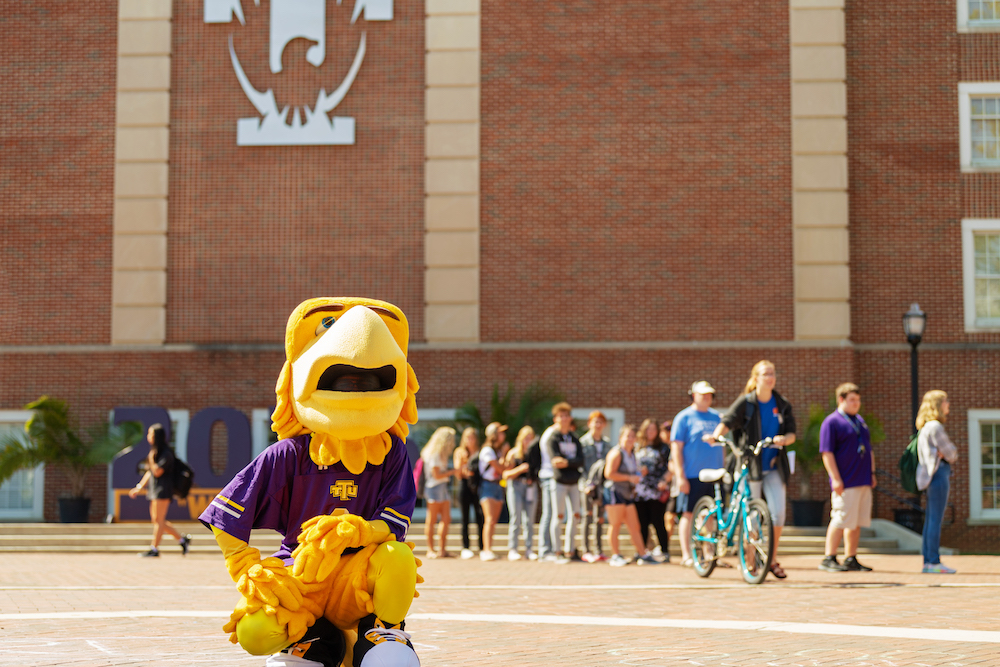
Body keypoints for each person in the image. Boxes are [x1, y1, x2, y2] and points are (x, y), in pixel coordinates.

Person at [711, 361, 797, 580]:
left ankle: (771, 558)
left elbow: (792, 434)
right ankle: (749, 560)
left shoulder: (782, 403)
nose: (770, 377)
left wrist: (783, 439)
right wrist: (716, 435)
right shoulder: (747, 402)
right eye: (766, 373)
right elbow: (728, 422)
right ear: (756, 378)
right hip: (749, 465)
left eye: (773, 373)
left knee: (778, 514)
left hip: (773, 465)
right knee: (752, 516)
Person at [818, 383, 875, 573]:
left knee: (856, 520)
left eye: (858, 400)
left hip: (863, 479)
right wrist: (835, 478)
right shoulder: (832, 422)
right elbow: (827, 452)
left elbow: (869, 449)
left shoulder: (859, 421)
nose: (856, 403)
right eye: (852, 400)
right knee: (841, 518)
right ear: (841, 400)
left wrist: (872, 473)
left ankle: (851, 557)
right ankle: (829, 557)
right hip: (846, 480)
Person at [670, 381, 722, 568]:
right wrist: (680, 476)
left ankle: (710, 554)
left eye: (709, 394)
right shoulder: (684, 417)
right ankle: (686, 554)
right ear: (693, 395)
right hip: (692, 474)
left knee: (711, 514)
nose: (706, 397)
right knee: (688, 513)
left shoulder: (717, 417)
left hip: (715, 474)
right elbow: (676, 447)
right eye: (702, 394)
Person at [128, 423, 191, 557]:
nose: (148, 436)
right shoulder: (155, 452)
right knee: (157, 521)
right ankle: (182, 540)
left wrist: (151, 458)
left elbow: (157, 471)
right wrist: (139, 487)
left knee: (159, 520)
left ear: (156, 436)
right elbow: (149, 472)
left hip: (163, 490)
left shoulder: (166, 453)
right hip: (154, 490)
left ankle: (154, 549)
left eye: (150, 433)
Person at [916, 390, 959, 574]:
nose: (948, 404)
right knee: (935, 519)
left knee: (930, 520)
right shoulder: (935, 427)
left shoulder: (925, 427)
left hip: (929, 477)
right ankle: (933, 562)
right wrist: (948, 452)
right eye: (945, 401)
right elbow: (952, 454)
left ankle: (928, 561)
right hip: (938, 475)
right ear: (937, 405)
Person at [603, 424, 657, 566]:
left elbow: (632, 474)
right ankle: (615, 555)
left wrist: (639, 473)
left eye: (633, 436)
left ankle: (642, 554)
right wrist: (629, 478)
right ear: (621, 438)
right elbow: (609, 474)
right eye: (628, 436)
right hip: (615, 492)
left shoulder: (632, 454)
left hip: (627, 493)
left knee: (634, 526)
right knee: (615, 525)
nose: (630, 439)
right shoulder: (616, 453)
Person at [541, 402, 585, 563]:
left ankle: (570, 550)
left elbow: (580, 460)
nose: (564, 419)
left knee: (575, 515)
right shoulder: (552, 438)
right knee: (558, 515)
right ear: (555, 419)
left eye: (566, 416)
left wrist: (567, 462)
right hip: (559, 481)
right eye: (561, 416)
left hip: (574, 481)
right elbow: (555, 459)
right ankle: (557, 550)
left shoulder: (574, 438)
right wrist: (570, 462)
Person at [634, 418, 672, 562]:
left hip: (657, 490)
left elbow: (670, 466)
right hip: (640, 490)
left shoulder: (663, 448)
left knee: (658, 521)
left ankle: (665, 551)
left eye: (654, 429)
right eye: (648, 429)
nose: (651, 432)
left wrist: (664, 480)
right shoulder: (637, 446)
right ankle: (642, 551)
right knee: (642, 523)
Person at [421, 426, 459, 559]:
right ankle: (430, 550)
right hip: (434, 488)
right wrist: (453, 472)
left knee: (446, 519)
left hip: (442, 487)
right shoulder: (435, 454)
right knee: (431, 520)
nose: (453, 442)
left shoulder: (439, 453)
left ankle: (442, 550)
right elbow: (436, 475)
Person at [579, 411, 611, 562]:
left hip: (601, 486)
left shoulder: (607, 444)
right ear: (589, 423)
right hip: (587, 485)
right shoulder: (583, 443)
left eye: (600, 422)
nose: (598, 425)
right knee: (587, 515)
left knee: (599, 518)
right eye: (595, 422)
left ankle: (598, 549)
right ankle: (586, 549)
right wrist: (586, 484)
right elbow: (580, 466)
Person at [503, 425, 538, 560]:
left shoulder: (534, 455)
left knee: (529, 519)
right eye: (526, 438)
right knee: (516, 517)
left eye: (530, 438)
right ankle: (513, 548)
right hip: (516, 486)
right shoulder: (513, 453)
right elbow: (506, 474)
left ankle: (529, 549)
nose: (528, 441)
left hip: (530, 487)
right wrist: (519, 470)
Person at [478, 422, 509, 561]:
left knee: (493, 520)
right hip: (488, 486)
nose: (503, 435)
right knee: (489, 520)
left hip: (497, 486)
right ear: (494, 435)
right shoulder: (488, 450)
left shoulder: (496, 451)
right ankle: (486, 550)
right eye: (500, 432)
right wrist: (504, 454)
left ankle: (489, 549)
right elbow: (500, 468)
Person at [454, 426, 484, 559]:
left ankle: (482, 547)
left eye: (472, 437)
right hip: (464, 485)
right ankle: (466, 547)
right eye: (467, 437)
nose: (470, 440)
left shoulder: (480, 451)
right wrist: (464, 462)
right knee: (465, 518)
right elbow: (458, 472)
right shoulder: (459, 452)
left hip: (477, 485)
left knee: (480, 516)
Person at [660, 420, 679, 545]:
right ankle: (664, 546)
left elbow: (672, 467)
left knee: (669, 517)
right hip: (674, 488)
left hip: (678, 488)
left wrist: (663, 480)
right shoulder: (665, 447)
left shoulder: (676, 445)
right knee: (669, 517)